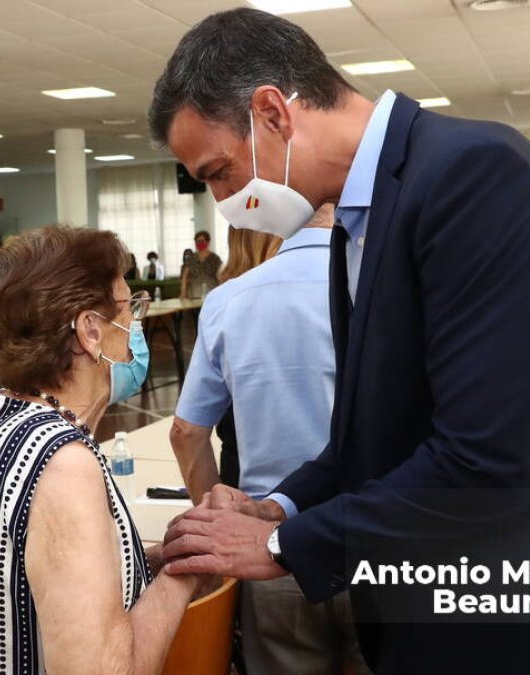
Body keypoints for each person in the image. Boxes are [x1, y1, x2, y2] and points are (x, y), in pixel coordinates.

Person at [150, 9, 530, 673]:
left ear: (273, 112)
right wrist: (277, 502)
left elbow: (485, 461)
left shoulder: (477, 176)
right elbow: (379, 433)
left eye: (218, 171)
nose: (224, 199)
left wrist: (284, 544)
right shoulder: (363, 214)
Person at [0, 226, 204, 675]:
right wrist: (185, 574)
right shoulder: (62, 465)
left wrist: (151, 560)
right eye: (128, 306)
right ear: (90, 331)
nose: (135, 322)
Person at [171, 205, 367, 673]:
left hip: (268, 548)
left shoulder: (229, 299)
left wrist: (221, 524)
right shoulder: (382, 287)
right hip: (373, 539)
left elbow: (186, 432)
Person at [179, 231, 221, 299]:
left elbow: (220, 276)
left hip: (211, 295)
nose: (199, 243)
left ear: (208, 242)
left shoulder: (215, 259)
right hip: (194, 295)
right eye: (197, 241)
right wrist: (183, 293)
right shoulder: (191, 259)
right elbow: (185, 276)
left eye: (201, 241)